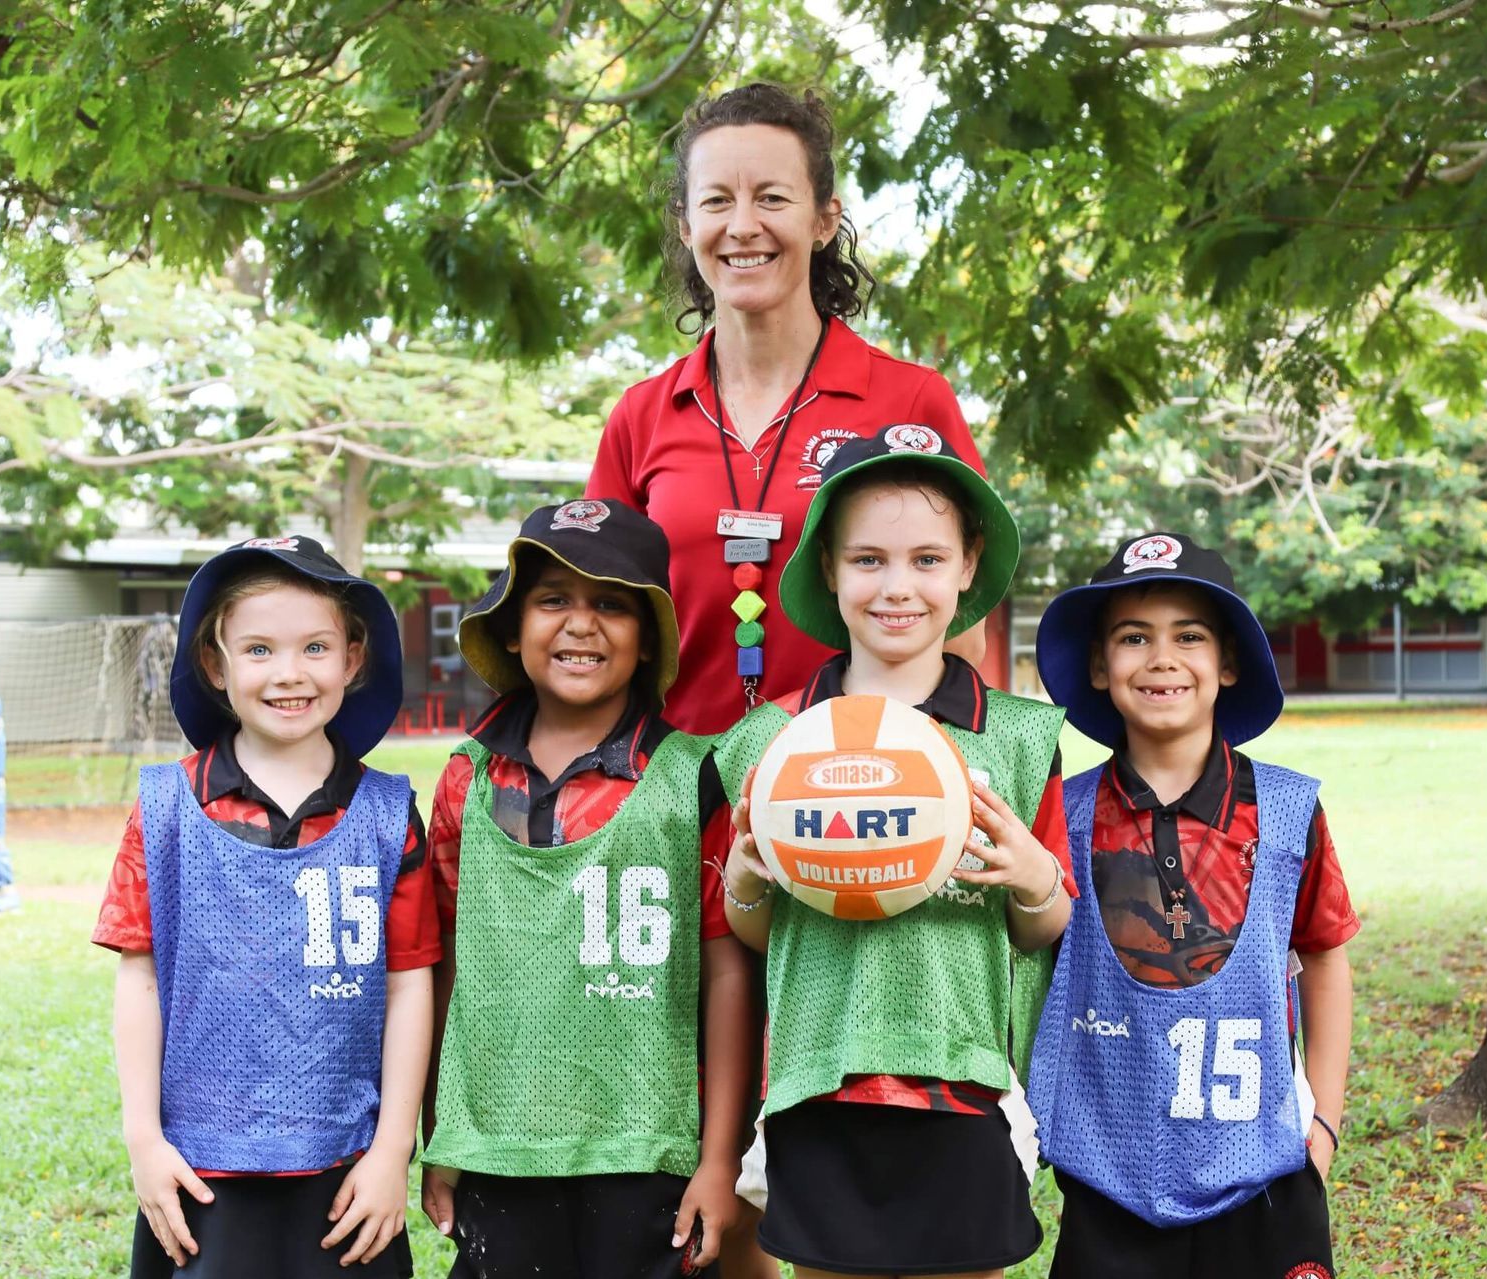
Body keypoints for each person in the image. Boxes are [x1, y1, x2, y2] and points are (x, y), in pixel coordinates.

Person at [713, 429, 1074, 1278]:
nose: (898, 586)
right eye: (869, 559)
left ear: (967, 567)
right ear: (829, 568)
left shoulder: (1020, 736)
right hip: (818, 1083)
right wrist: (743, 882)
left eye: (926, 558)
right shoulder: (771, 742)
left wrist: (1031, 877)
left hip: (965, 1083)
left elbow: (1047, 926)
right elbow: (756, 937)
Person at [587, 82, 989, 737]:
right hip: (672, 802)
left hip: (860, 798)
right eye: (717, 201)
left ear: (824, 219)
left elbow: (963, 639)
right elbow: (599, 625)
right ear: (688, 226)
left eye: (772, 197)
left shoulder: (912, 402)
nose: (743, 225)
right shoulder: (641, 417)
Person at [417, 499, 754, 1278]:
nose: (581, 623)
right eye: (553, 600)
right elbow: (444, 965)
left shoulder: (693, 775)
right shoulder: (468, 780)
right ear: (511, 627)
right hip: (498, 1142)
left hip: (649, 1146)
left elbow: (729, 968)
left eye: (611, 603)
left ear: (647, 642)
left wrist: (719, 1157)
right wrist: (444, 1129)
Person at [93, 535, 434, 1278]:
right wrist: (144, 1141)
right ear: (216, 664)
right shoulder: (164, 808)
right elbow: (140, 980)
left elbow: (411, 984)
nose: (289, 673)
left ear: (352, 657)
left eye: (315, 646)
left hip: (346, 1172)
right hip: (202, 1169)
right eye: (258, 649)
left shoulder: (388, 814)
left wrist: (391, 1152)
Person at [1025, 532, 1359, 1279]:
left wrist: (1324, 1127)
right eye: (1134, 637)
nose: (1162, 658)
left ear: (1228, 662)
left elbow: (1326, 953)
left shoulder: (1284, 809)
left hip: (1266, 1181)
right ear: (1099, 665)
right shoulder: (1063, 816)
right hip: (1109, 1186)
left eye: (1190, 636)